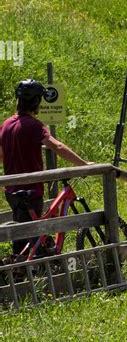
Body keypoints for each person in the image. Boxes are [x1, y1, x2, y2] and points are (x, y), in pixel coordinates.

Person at [0, 79, 90, 256]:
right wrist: (83, 165)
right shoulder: (34, 125)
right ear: (35, 102)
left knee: (24, 232)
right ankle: (24, 272)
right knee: (30, 236)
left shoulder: (6, 124)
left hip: (11, 191)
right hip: (31, 190)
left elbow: (1, 156)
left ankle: (26, 268)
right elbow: (57, 147)